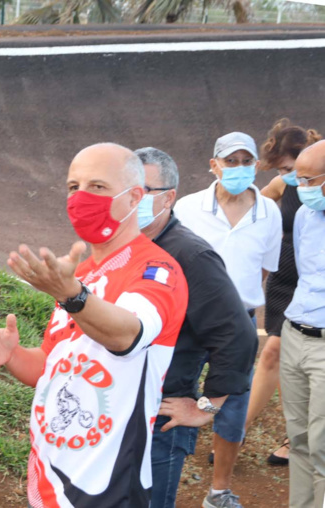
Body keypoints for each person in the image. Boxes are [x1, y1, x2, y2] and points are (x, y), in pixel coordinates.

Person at [0, 143, 188, 508]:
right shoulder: (80, 274)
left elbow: (128, 335)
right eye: (73, 186)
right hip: (50, 473)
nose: (80, 197)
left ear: (133, 198)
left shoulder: (158, 270)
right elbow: (52, 365)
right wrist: (13, 355)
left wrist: (72, 296)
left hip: (107, 485)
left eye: (97, 186)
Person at [134, 147, 256, 508]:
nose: (129, 200)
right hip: (117, 412)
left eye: (142, 191)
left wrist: (207, 407)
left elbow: (238, 336)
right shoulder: (125, 247)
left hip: (160, 420)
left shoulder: (189, 256)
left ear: (169, 197)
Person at [173, 131, 282, 508]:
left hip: (239, 325)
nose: (238, 169)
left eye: (245, 161)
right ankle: (162, 478)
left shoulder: (269, 213)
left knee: (232, 407)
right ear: (213, 165)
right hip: (186, 322)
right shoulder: (186, 207)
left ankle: (219, 491)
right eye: (230, 161)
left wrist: (237, 311)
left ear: (255, 165)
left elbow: (264, 272)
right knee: (173, 395)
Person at [245, 119, 321, 466]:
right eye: (284, 171)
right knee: (275, 355)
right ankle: (239, 428)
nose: (291, 177)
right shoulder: (281, 184)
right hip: (284, 281)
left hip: (312, 285)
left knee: (283, 352)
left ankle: (296, 438)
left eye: (293, 169)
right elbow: (254, 212)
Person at [279, 139, 325, 508]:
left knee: (324, 447)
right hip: (295, 334)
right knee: (299, 441)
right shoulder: (306, 218)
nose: (302, 189)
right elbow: (303, 275)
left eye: (309, 181)